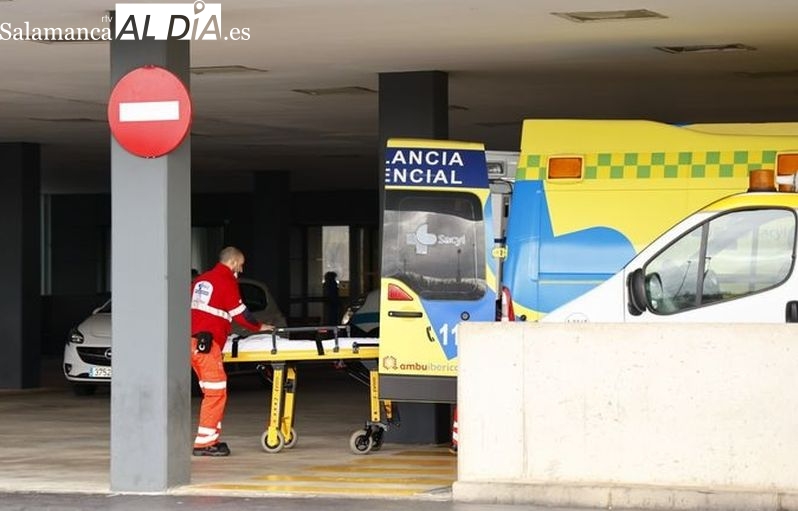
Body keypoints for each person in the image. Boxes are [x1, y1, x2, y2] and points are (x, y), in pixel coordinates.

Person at [190, 246, 273, 457]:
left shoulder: (201, 280)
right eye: (241, 265)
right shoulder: (225, 280)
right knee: (216, 392)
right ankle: (205, 444)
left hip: (193, 343)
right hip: (207, 345)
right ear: (234, 263)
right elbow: (240, 313)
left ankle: (207, 440)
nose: (241, 270)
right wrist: (259, 327)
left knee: (210, 391)